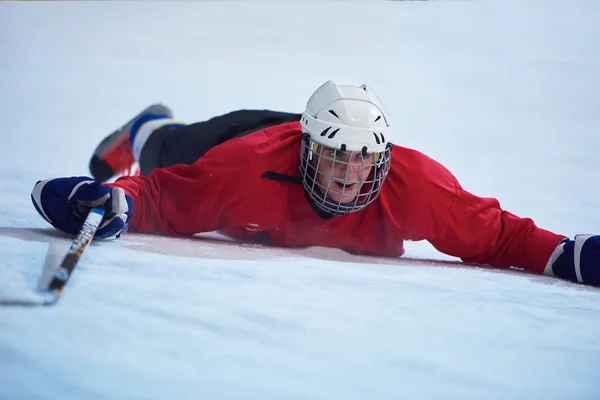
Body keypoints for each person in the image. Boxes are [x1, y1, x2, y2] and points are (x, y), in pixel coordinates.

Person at [31, 80, 599, 286]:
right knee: (167, 152)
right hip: (249, 136)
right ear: (309, 148)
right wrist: (112, 203)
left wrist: (567, 257)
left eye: (362, 160)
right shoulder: (246, 166)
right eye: (335, 157)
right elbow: (159, 198)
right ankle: (146, 122)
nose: (350, 174)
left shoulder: (417, 185)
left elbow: (498, 236)